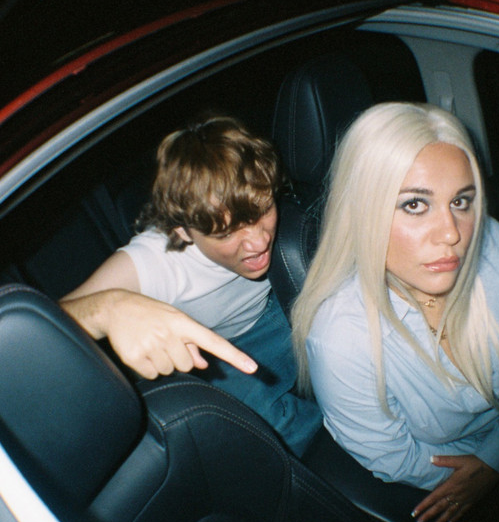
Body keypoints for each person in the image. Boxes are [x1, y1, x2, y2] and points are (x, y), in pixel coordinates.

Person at [291, 102, 499, 522]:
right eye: (415, 205)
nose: (452, 233)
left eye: (461, 201)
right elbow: (392, 455)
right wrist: (480, 478)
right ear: (363, 211)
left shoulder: (493, 243)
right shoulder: (341, 339)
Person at [61, 115, 321, 455]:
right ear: (182, 230)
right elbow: (43, 322)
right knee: (272, 437)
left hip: (284, 304)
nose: (259, 242)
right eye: (226, 232)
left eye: (263, 211)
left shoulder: (267, 195)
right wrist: (108, 308)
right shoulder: (156, 261)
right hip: (227, 351)